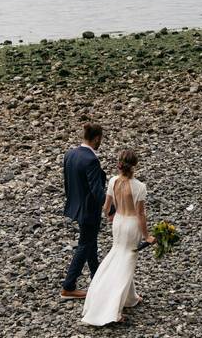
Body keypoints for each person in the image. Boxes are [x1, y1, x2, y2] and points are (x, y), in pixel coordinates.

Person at [81, 149, 154, 325]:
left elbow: (106, 208)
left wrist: (112, 216)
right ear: (134, 165)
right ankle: (113, 310)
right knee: (126, 264)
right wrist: (147, 236)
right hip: (131, 225)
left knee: (117, 255)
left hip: (118, 222)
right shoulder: (139, 187)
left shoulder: (113, 181)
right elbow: (141, 214)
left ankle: (131, 298)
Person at [60, 123, 107, 299]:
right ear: (96, 138)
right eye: (100, 139)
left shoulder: (70, 154)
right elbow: (97, 190)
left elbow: (67, 182)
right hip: (89, 211)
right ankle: (69, 285)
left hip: (76, 206)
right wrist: (112, 208)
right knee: (85, 245)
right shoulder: (91, 160)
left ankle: (97, 280)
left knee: (90, 244)